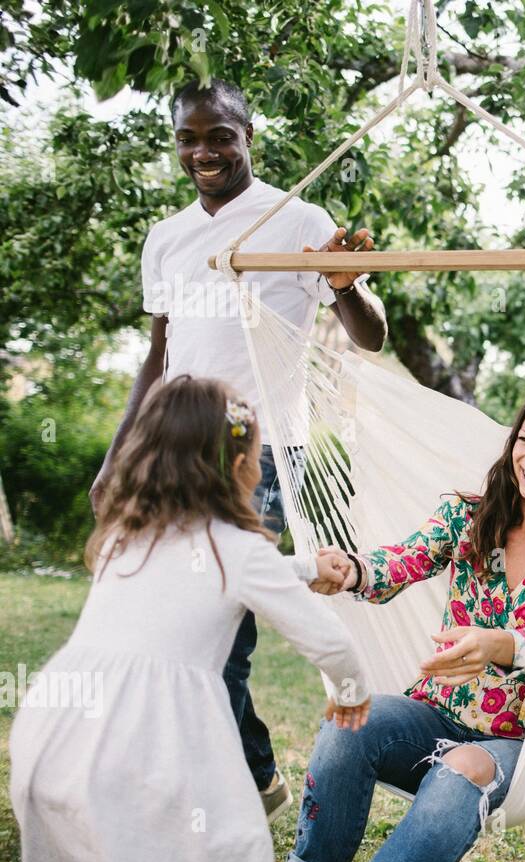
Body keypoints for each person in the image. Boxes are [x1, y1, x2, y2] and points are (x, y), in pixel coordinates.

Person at [89, 78, 388, 821]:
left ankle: (240, 785)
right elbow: (158, 356)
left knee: (221, 634)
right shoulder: (166, 237)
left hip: (259, 459)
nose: (204, 151)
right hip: (171, 455)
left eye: (219, 135)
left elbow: (371, 335)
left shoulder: (297, 218)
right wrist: (118, 453)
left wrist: (344, 286)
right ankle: (248, 775)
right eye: (189, 138)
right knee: (171, 627)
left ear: (248, 132)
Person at [9, 376, 371, 862]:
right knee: (229, 847)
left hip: (56, 725)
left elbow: (200, 582)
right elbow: (330, 643)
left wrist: (305, 568)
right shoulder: (240, 549)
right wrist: (351, 692)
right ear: (241, 466)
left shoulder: (127, 535)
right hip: (149, 734)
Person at [288, 382, 525, 862]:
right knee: (349, 719)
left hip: (512, 741)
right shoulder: (469, 518)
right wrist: (352, 569)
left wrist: (498, 644)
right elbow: (403, 559)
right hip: (431, 715)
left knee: (461, 767)